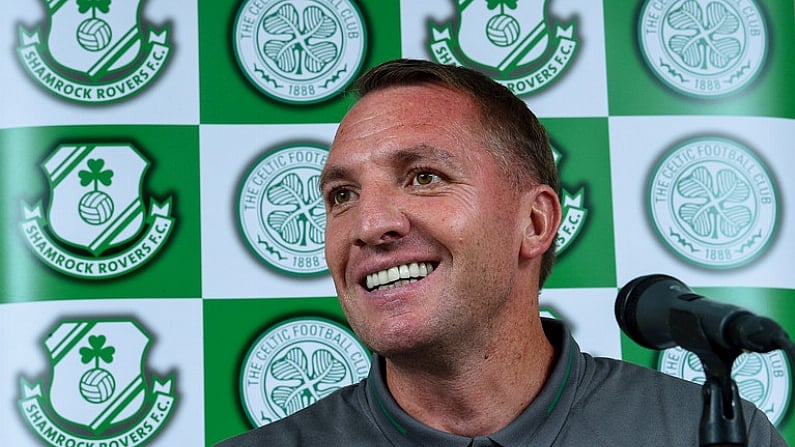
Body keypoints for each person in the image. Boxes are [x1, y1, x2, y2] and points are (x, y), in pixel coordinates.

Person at [216, 59, 786, 446]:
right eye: (342, 195)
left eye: (423, 177)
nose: (369, 225)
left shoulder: (701, 432)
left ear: (534, 221)